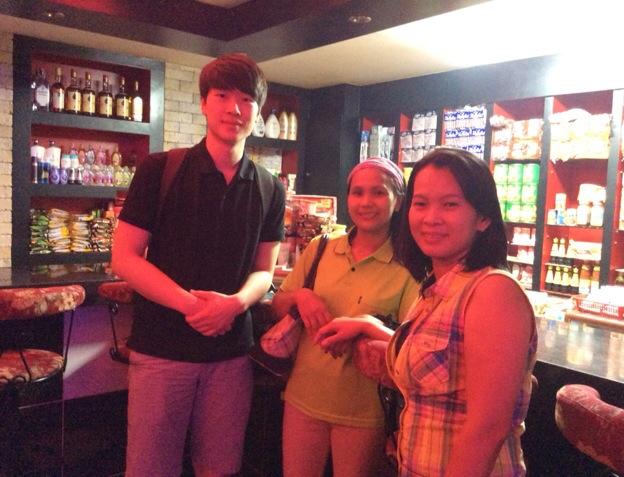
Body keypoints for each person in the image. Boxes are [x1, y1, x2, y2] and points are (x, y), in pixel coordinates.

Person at [111, 53, 285, 477]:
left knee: (220, 467)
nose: (234, 108)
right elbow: (125, 257)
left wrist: (234, 304)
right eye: (222, 96)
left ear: (258, 111)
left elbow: (265, 270)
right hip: (162, 349)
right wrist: (193, 306)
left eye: (246, 99)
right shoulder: (161, 169)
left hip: (231, 354)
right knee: (150, 468)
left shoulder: (270, 187)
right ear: (204, 103)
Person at [316, 147, 537, 477]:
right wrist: (368, 325)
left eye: (450, 204)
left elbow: (487, 428)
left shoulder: (492, 292)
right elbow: (435, 357)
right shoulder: (437, 288)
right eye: (420, 204)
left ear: (483, 217)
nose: (431, 218)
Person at [271, 157, 419, 477]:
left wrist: (364, 328)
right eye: (357, 192)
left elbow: (412, 345)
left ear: (398, 202)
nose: (366, 202)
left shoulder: (409, 267)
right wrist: (301, 296)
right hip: (303, 396)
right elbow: (278, 305)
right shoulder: (320, 247)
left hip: (364, 410)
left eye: (378, 193)